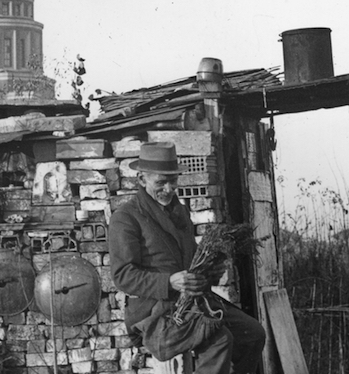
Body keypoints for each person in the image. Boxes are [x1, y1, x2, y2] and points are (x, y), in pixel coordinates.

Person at [109, 141, 266, 373]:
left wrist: (209, 274)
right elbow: (123, 276)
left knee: (253, 334)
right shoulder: (126, 218)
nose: (169, 189)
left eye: (173, 181)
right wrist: (169, 281)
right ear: (141, 180)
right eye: (160, 182)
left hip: (195, 301)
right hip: (155, 310)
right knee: (219, 341)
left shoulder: (179, 212)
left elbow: (190, 262)